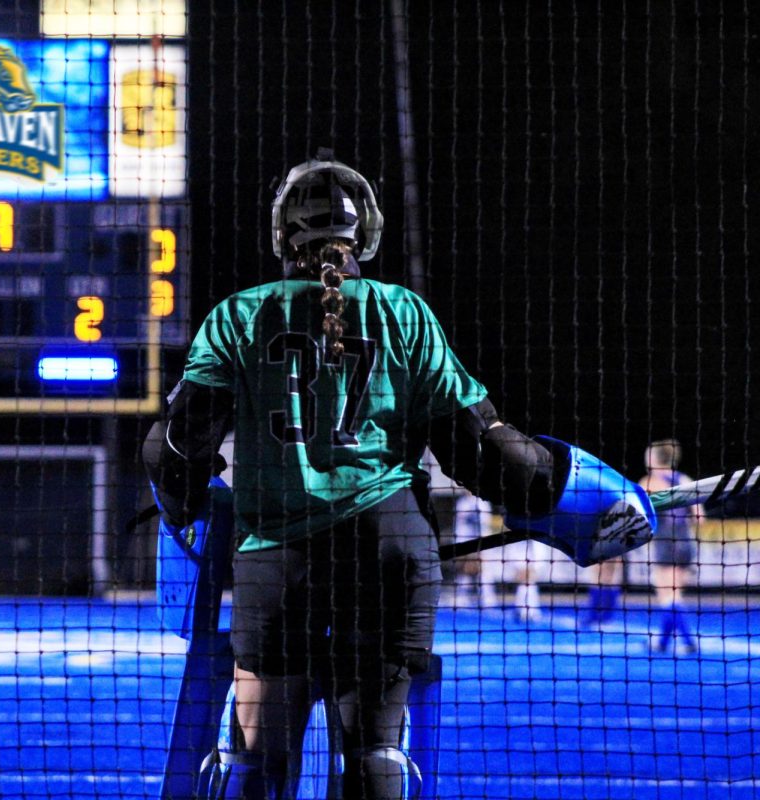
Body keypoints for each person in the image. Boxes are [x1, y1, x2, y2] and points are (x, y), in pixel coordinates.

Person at [142, 148, 654, 799]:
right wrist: (582, 500)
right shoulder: (404, 314)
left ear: (282, 235)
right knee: (376, 753)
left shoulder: (240, 316)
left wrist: (183, 506)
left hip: (278, 563)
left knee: (254, 762)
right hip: (389, 557)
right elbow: (483, 451)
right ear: (367, 235)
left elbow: (177, 448)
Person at [640, 439, 702, 655]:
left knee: (667, 596)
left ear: (655, 458)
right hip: (685, 541)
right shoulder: (685, 479)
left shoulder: (650, 481)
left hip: (666, 542)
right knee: (674, 596)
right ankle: (663, 643)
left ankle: (687, 641)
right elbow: (699, 517)